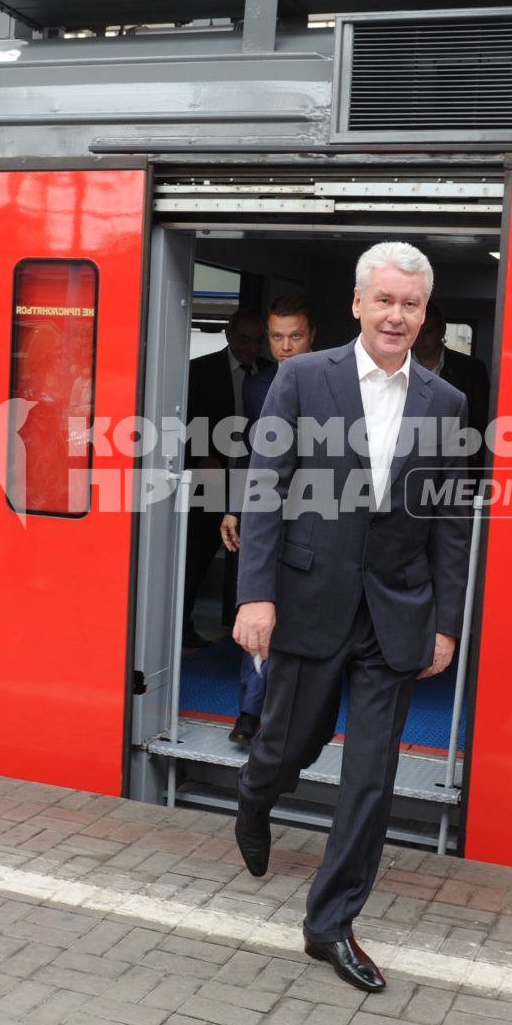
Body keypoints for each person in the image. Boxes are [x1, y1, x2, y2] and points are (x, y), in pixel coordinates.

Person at [232, 243, 469, 993]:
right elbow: (264, 487)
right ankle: (255, 795)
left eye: (411, 303)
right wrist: (254, 593)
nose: (397, 314)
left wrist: (446, 621)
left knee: (371, 776)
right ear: (359, 304)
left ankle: (328, 923)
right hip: (307, 598)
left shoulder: (447, 402)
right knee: (285, 745)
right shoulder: (303, 378)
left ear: (424, 314)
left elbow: (449, 523)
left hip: (394, 613)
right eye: (386, 300)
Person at [219, 293, 317, 746]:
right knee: (258, 606)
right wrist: (234, 506)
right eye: (277, 337)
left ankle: (290, 717)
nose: (285, 346)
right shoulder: (256, 387)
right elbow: (249, 454)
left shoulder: (334, 382)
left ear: (311, 336)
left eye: (294, 336)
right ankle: (248, 712)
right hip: (265, 514)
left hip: (321, 517)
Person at [183, 309, 266, 649]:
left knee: (252, 554)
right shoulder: (199, 371)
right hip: (213, 478)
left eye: (259, 340)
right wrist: (199, 455)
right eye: (245, 339)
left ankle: (243, 628)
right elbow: (180, 419)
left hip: (255, 481)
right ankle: (183, 624)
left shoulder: (272, 375)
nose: (251, 347)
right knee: (197, 555)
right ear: (230, 336)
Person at [411, 300, 491, 468]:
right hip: (408, 460)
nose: (420, 339)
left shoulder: (472, 370)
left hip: (456, 462)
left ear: (442, 331)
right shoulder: (394, 367)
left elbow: (481, 423)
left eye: (427, 332)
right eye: (416, 331)